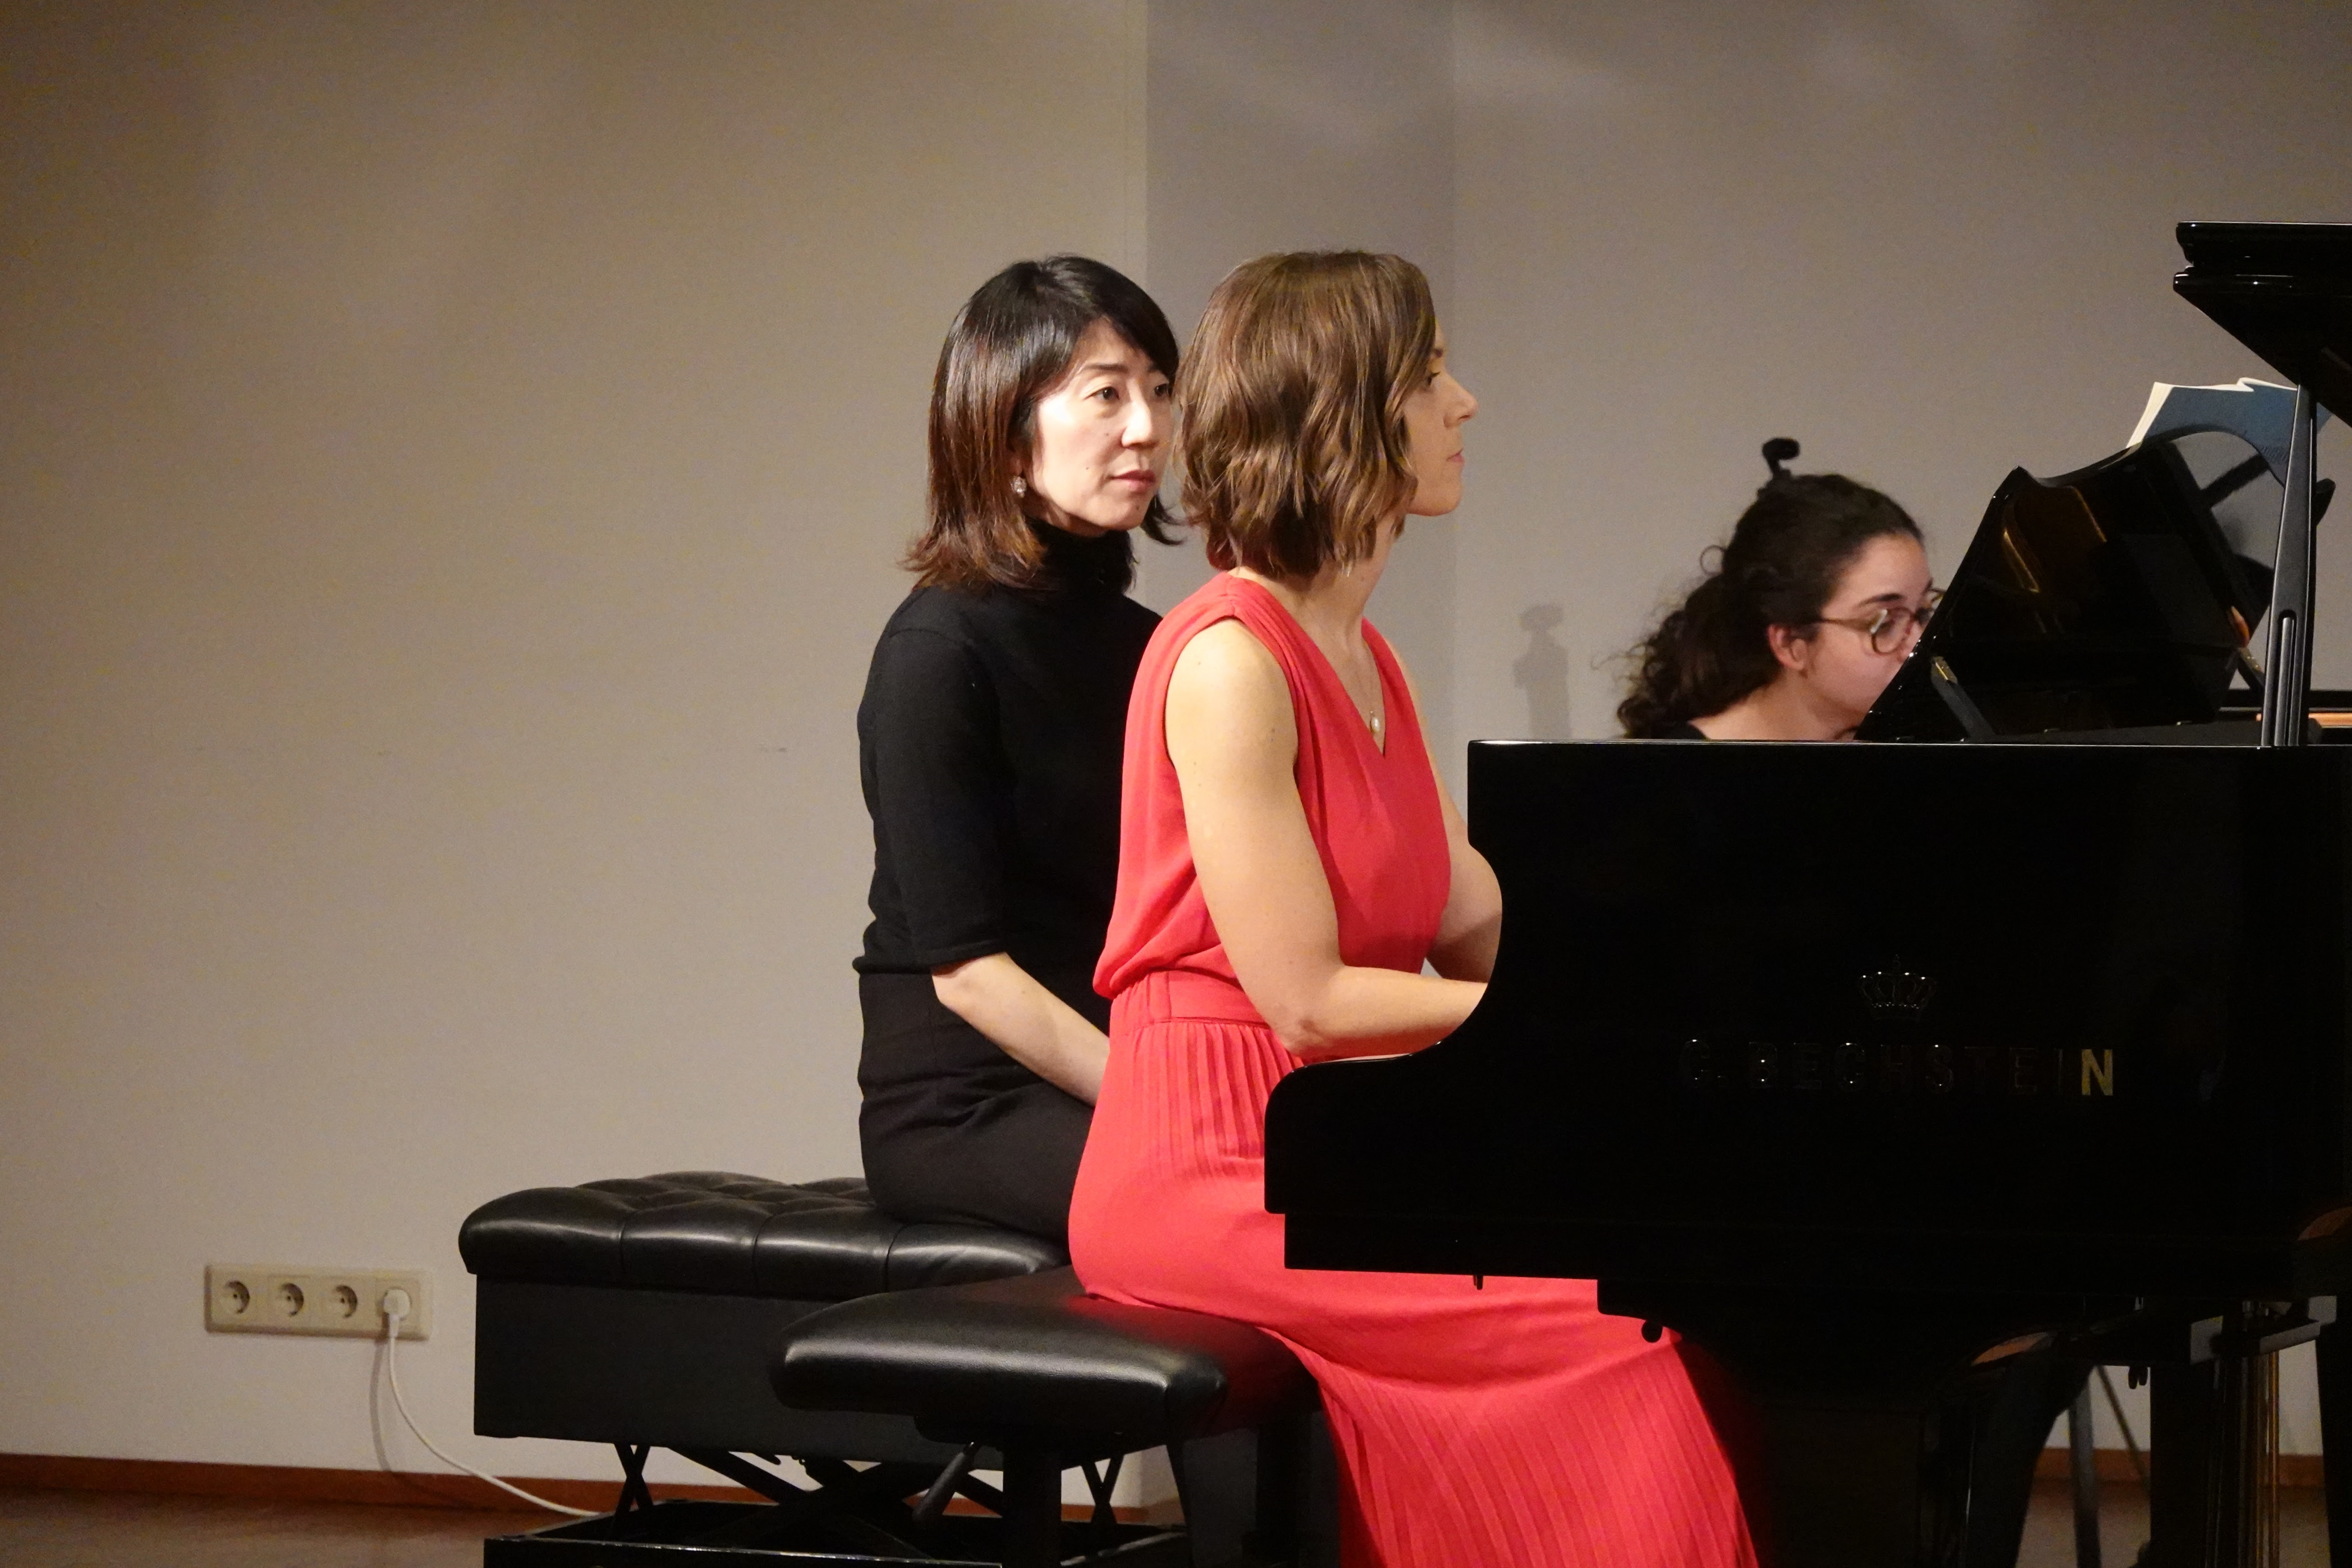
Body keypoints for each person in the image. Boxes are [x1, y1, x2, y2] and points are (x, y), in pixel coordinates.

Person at [1068, 251, 1753, 1567]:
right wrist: (1570, 1028)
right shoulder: (1225, 660)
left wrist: (1685, 977)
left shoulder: (1369, 659)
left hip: (1343, 1146)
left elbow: (1473, 910)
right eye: (1430, 373)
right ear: (1342, 409)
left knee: (1695, 1303)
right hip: (1214, 1164)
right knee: (1615, 1340)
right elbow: (1310, 1002)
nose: (1463, 402)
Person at [853, 256, 1177, 1243]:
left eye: (1159, 390)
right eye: (1107, 394)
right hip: (969, 1104)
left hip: (1123, 1065)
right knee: (1238, 1205)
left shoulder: (1152, 643)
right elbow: (968, 972)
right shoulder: (935, 650)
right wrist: (1165, 1104)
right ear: (1002, 433)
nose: (1146, 428)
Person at [1618, 445, 1935, 740]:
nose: (1917, 645)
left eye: (1922, 612)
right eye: (1884, 623)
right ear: (1790, 644)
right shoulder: (1671, 771)